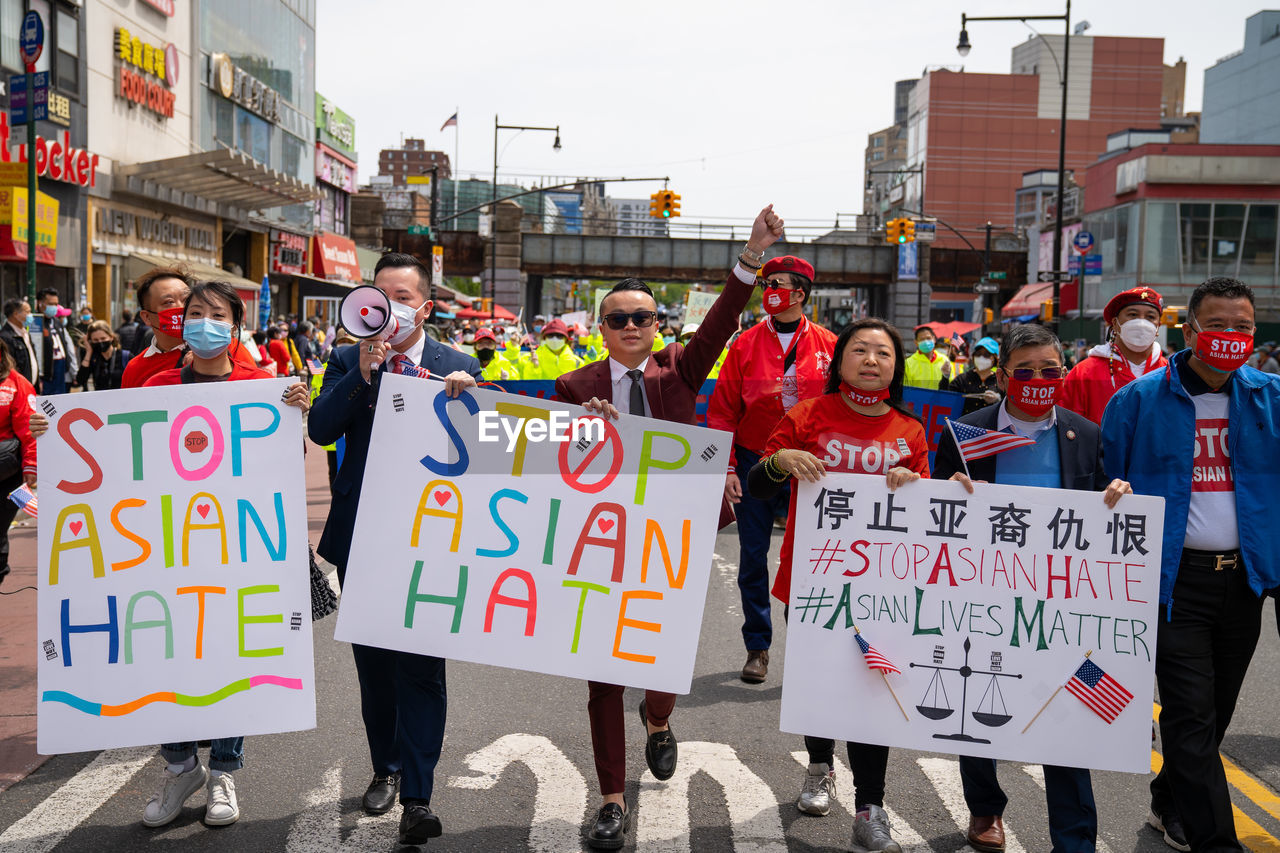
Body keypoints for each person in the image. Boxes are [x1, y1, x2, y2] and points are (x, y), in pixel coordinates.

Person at [554, 203, 779, 850]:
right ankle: (611, 800)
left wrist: (751, 255)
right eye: (618, 317)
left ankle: (658, 721)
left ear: (658, 326)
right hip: (598, 544)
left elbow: (721, 320)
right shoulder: (573, 386)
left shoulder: (679, 367)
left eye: (642, 317)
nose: (631, 325)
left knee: (660, 659)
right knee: (602, 673)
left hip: (668, 543)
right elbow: (532, 447)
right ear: (601, 328)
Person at [934, 323, 1132, 853]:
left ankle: (1073, 837)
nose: (1039, 379)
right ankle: (984, 809)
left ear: (1063, 374)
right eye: (1026, 371)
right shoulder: (965, 434)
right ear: (1002, 377)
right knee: (978, 699)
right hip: (984, 594)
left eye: (1049, 369)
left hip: (1061, 600)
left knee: (1064, 714)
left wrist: (1119, 492)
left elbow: (1105, 509)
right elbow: (933, 516)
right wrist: (947, 491)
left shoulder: (1087, 435)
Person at [1102, 276, 1280, 853]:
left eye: (1244, 326)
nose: (1232, 335)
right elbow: (1104, 484)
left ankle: (1168, 799)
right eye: (1219, 324)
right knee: (1190, 715)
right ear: (1190, 328)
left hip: (1245, 582)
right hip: (1172, 583)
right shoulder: (1137, 401)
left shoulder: (1270, 399)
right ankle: (1216, 843)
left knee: (1214, 714)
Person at [309, 252, 480, 847]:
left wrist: (469, 397)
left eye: (402, 296)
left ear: (424, 306)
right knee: (376, 666)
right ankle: (385, 765)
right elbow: (321, 429)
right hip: (363, 534)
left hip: (433, 538)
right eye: (379, 294)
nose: (389, 306)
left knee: (422, 667)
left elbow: (483, 448)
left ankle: (418, 795)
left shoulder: (455, 363)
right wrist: (361, 370)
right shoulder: (342, 358)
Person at [746, 318, 926, 853]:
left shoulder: (910, 431)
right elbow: (757, 483)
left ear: (896, 368)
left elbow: (934, 512)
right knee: (818, 684)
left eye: (884, 354)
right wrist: (779, 461)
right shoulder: (806, 415)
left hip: (885, 585)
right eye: (860, 350)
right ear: (839, 360)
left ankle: (871, 804)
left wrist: (916, 482)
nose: (872, 360)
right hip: (813, 579)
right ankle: (820, 765)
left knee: (873, 687)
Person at [138, 281, 309, 828]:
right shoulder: (154, 384)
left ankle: (223, 770)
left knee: (233, 656)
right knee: (166, 653)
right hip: (168, 549)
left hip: (238, 551)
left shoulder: (263, 388)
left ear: (235, 327)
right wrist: (50, 432)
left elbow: (282, 463)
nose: (203, 322)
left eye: (216, 314)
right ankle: (179, 766)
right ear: (177, 321)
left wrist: (296, 416)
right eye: (194, 312)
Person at [706, 253, 836, 684]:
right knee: (754, 556)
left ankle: (807, 644)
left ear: (800, 292)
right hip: (753, 460)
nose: (769, 291)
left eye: (778, 283)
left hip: (812, 466)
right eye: (765, 284)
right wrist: (726, 468)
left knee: (811, 559)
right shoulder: (743, 344)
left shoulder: (831, 346)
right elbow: (723, 410)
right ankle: (757, 647)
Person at [1059, 287, 1167, 424]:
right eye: (1133, 315)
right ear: (1115, 324)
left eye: (1150, 317)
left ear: (1158, 326)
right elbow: (1067, 426)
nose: (1141, 322)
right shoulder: (1083, 374)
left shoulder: (1171, 372)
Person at [0, 337, 37, 587]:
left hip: (8, 473)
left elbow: (29, 428)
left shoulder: (17, 384)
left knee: (0, 527)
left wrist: (31, 466)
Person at [33, 288, 75, 394]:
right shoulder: (35, 323)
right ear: (40, 303)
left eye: (56, 304)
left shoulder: (56, 322)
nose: (54, 307)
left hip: (61, 370)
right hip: (46, 374)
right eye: (51, 304)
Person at [949, 335, 1002, 415]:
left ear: (995, 359)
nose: (981, 357)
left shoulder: (1000, 380)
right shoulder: (961, 379)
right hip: (964, 425)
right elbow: (946, 398)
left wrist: (998, 399)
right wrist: (945, 376)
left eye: (986, 355)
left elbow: (1009, 406)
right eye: (978, 354)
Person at [75, 321, 130, 391]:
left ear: (111, 337)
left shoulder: (125, 356)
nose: (100, 342)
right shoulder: (94, 358)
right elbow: (80, 380)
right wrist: (88, 352)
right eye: (95, 340)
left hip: (122, 400)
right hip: (100, 400)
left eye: (103, 338)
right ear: (91, 341)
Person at [0, 299, 38, 390]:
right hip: (18, 390)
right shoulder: (5, 338)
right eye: (27, 312)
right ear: (16, 314)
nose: (30, 315)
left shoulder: (25, 333)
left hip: (30, 387)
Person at [903, 324, 950, 390]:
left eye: (928, 338)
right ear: (916, 342)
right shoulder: (908, 363)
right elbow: (906, 389)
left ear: (934, 339)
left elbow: (950, 385)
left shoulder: (944, 360)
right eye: (922, 339)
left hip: (940, 400)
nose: (926, 342)